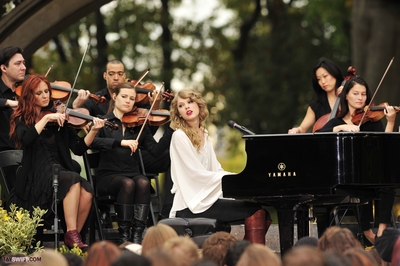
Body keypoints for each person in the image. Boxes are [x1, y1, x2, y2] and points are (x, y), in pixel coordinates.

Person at [8, 74, 104, 249]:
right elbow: (26, 139)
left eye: (46, 91)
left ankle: (72, 238)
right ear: (30, 96)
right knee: (73, 179)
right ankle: (73, 238)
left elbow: (78, 148)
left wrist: (94, 131)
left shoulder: (60, 117)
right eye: (39, 93)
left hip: (61, 172)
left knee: (88, 191)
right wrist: (45, 119)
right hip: (36, 177)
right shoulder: (21, 118)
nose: (45, 96)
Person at [168, 89, 272, 245]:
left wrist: (239, 179)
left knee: (264, 213)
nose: (187, 107)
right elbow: (194, 174)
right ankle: (247, 257)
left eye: (190, 102)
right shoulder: (179, 136)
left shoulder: (204, 134)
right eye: (181, 106)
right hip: (191, 203)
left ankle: (243, 254)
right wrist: (233, 179)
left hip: (206, 199)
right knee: (256, 211)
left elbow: (215, 170)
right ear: (179, 113)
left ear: (198, 104)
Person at [90, 81, 174, 244]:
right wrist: (119, 143)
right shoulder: (103, 121)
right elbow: (93, 143)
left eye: (132, 98)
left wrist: (171, 130)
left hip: (131, 172)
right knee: (128, 184)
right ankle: (124, 236)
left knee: (142, 182)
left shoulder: (139, 123)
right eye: (124, 97)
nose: (128, 101)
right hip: (108, 175)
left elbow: (155, 150)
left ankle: (136, 235)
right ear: (114, 96)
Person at [316, 76, 397, 244]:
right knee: (358, 179)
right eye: (356, 93)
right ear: (346, 95)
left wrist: (390, 121)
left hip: (372, 173)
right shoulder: (336, 122)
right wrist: (341, 127)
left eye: (363, 94)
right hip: (345, 177)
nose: (360, 98)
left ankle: (382, 231)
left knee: (387, 179)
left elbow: (386, 147)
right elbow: (318, 137)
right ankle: (366, 231)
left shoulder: (372, 120)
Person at [288, 59, 344, 134]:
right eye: (319, 79)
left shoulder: (349, 99)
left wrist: (348, 93)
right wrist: (296, 130)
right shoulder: (316, 106)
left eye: (325, 76)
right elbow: (302, 129)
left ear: (335, 74)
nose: (323, 82)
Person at [0, 46, 26, 151]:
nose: (23, 67)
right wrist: (9, 102)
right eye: (18, 63)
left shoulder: (25, 90)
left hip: (30, 154)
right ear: (4, 68)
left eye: (23, 63)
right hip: (6, 158)